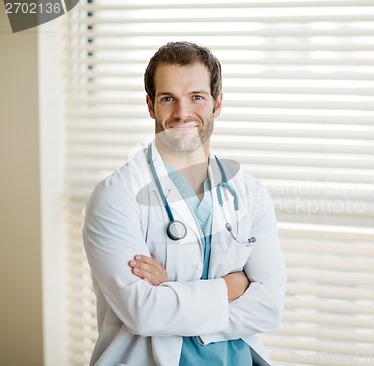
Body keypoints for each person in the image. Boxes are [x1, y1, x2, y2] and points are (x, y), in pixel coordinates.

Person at [82, 41, 287, 366]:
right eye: (168, 98)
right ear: (150, 105)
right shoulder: (116, 195)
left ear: (217, 104)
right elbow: (144, 313)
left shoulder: (249, 192)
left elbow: (269, 308)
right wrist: (232, 286)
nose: (181, 112)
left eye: (196, 97)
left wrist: (172, 292)